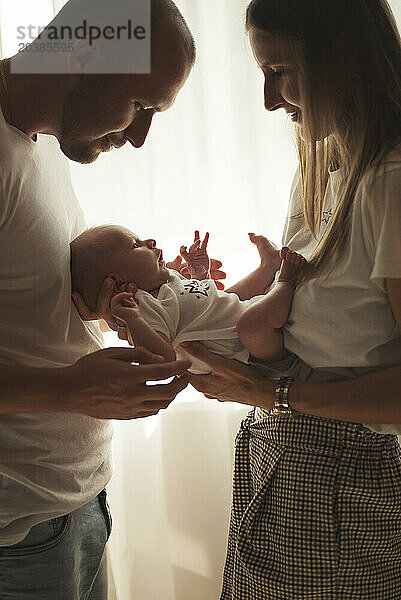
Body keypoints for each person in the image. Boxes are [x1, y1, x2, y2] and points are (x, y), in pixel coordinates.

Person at [180, 0, 401, 598]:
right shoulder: (324, 159)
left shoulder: (390, 182)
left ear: (346, 55)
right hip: (282, 455)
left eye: (283, 71)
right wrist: (204, 299)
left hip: (345, 483)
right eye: (263, 73)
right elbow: (303, 317)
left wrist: (272, 391)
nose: (271, 101)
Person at [0, 1, 195, 598]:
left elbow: (34, 314)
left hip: (77, 508)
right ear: (85, 51)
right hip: (21, 537)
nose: (139, 137)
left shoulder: (33, 147)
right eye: (143, 107)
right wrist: (66, 389)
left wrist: (131, 305)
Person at [70, 225, 307, 371]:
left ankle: (268, 267)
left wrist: (199, 273)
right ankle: (286, 282)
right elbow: (162, 359)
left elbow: (204, 306)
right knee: (248, 323)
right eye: (135, 245)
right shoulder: (143, 309)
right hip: (252, 357)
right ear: (118, 281)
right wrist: (132, 320)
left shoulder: (167, 282)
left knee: (229, 299)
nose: (150, 241)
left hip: (244, 324)